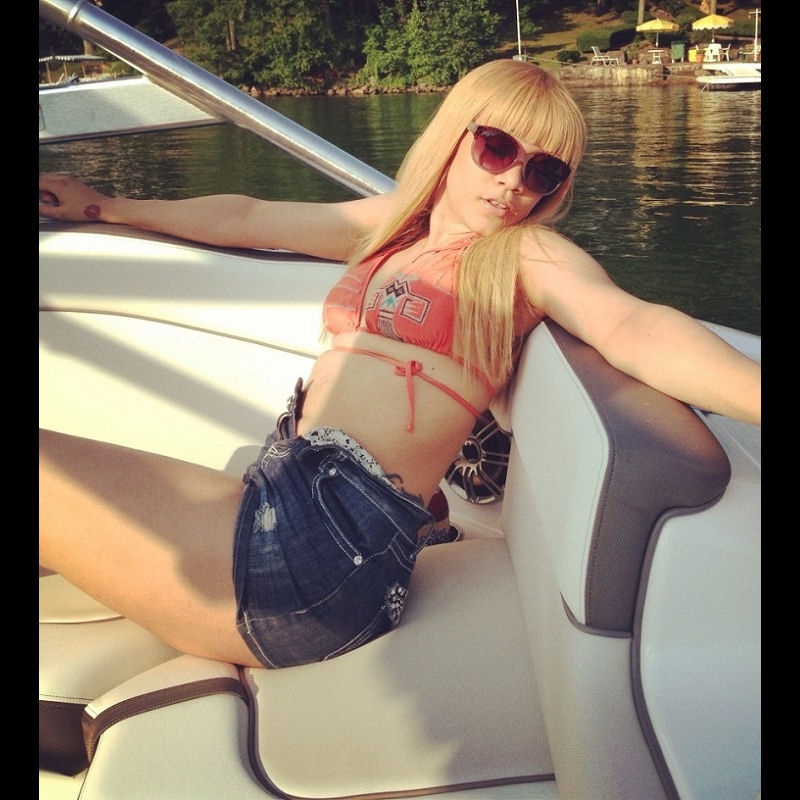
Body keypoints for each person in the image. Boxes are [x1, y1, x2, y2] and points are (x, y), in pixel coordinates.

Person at [39, 59, 761, 670]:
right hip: (285, 496)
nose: (515, 181)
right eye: (498, 148)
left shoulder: (524, 255)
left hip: (320, 557)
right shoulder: (395, 229)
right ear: (456, 137)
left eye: (542, 170)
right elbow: (249, 217)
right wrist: (106, 206)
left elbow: (632, 325)